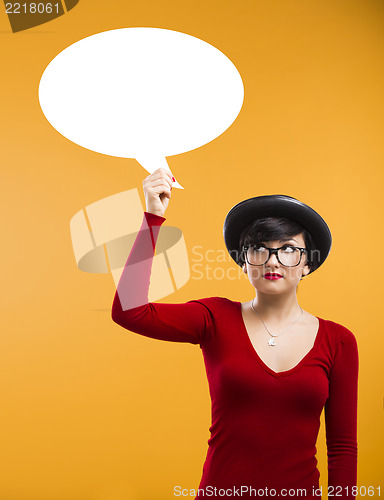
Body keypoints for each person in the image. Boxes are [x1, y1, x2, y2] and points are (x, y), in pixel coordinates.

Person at [111, 168, 359, 499]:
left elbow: (342, 447)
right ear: (244, 262)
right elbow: (130, 312)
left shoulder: (339, 341)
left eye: (287, 248)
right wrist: (152, 218)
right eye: (259, 248)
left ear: (307, 263)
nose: (273, 260)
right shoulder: (214, 317)